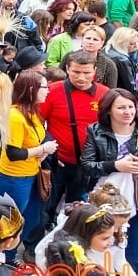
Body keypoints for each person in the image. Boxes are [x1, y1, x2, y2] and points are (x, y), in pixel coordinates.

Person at [81, 88, 138, 275]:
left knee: (134, 252)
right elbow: (87, 165)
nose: (127, 112)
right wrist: (115, 165)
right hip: (105, 199)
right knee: (101, 245)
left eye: (131, 107)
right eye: (121, 107)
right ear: (108, 110)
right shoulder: (96, 131)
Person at [39, 51, 109, 228]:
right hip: (57, 162)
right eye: (76, 72)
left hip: (87, 164)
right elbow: (38, 122)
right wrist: (49, 152)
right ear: (67, 69)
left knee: (77, 209)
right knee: (45, 206)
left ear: (95, 71)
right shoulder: (53, 91)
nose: (82, 77)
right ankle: (34, 247)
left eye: (87, 73)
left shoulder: (105, 94)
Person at [0, 71, 58, 260]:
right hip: (13, 178)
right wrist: (41, 149)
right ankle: (4, 257)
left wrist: (42, 149)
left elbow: (36, 139)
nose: (48, 91)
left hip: (30, 175)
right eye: (45, 87)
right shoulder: (15, 116)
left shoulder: (32, 112)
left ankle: (10, 253)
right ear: (31, 89)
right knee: (9, 223)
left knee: (31, 219)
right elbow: (13, 153)